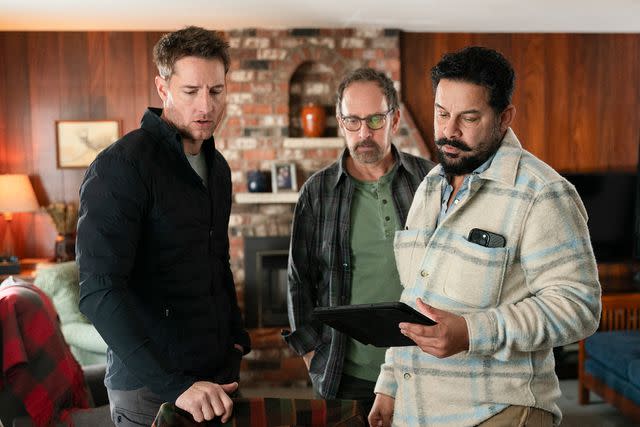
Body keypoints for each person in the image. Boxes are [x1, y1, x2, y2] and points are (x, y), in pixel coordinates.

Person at [368, 46, 602, 427]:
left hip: (501, 412)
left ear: (504, 118)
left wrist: (473, 332)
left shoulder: (542, 193)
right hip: (418, 411)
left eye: (469, 118)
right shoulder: (429, 186)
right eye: (441, 114)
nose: (449, 131)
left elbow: (579, 307)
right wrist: (390, 384)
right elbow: (414, 297)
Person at [76, 26, 250, 426]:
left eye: (216, 91)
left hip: (215, 377)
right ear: (163, 88)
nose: (205, 106)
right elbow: (99, 291)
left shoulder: (217, 167)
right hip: (150, 389)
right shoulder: (121, 166)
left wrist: (237, 340)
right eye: (190, 91)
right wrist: (175, 386)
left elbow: (216, 260)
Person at [284, 67, 435, 412]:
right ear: (340, 122)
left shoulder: (430, 181)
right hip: (344, 373)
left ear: (394, 120)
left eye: (375, 121)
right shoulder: (317, 192)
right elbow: (298, 279)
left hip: (422, 369)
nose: (363, 133)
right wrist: (312, 355)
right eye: (352, 121)